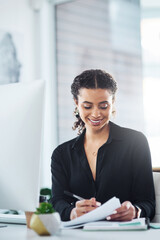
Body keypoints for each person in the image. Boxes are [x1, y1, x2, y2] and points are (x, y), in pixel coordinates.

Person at [51, 69, 155, 222]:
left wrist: (136, 211)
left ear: (113, 102)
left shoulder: (136, 142)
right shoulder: (62, 154)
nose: (96, 114)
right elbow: (57, 201)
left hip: (123, 235)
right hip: (78, 235)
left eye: (103, 106)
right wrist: (71, 212)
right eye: (87, 106)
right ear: (76, 103)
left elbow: (148, 203)